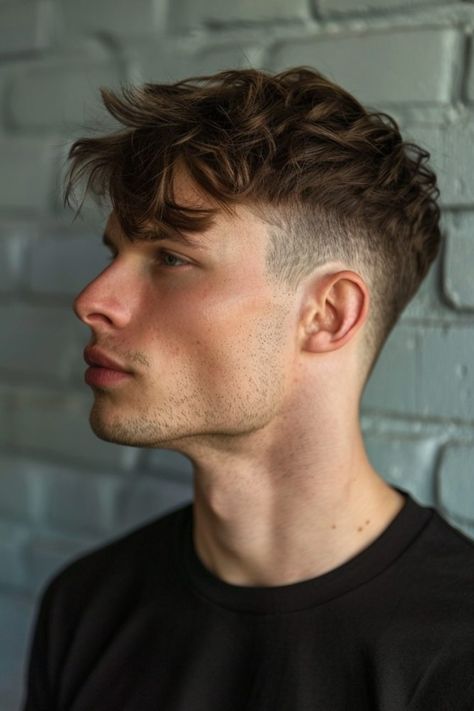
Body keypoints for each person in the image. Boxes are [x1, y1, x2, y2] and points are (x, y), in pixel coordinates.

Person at [23, 67, 474, 710]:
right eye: (113, 254)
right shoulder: (87, 603)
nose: (93, 300)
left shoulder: (456, 658)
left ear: (326, 316)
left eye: (171, 258)